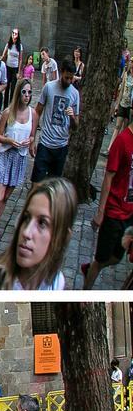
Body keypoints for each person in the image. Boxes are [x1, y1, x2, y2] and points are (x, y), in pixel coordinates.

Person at [0, 178, 76, 290]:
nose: (27, 232)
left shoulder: (55, 283)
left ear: (61, 238)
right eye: (26, 218)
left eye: (42, 223)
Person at [83, 108, 133, 288]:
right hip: (113, 211)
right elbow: (108, 177)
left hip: (129, 213)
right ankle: (83, 294)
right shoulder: (122, 141)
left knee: (117, 257)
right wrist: (100, 212)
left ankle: (91, 268)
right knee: (101, 258)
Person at [0, 78, 35, 248]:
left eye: (29, 92)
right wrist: (10, 141)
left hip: (19, 158)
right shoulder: (8, 112)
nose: (26, 96)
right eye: (24, 92)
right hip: (6, 155)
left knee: (5, 198)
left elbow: (33, 135)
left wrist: (29, 141)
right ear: (18, 92)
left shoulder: (33, 114)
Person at [30, 59, 80, 183]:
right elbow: (37, 112)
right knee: (37, 183)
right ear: (61, 72)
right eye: (66, 77)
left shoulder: (75, 94)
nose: (69, 81)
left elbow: (76, 126)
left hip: (61, 146)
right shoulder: (49, 87)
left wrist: (72, 117)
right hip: (45, 143)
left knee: (53, 185)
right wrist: (32, 138)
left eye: (71, 78)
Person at [109, 60, 133, 154]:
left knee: (124, 128)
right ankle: (110, 148)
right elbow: (122, 89)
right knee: (117, 126)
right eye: (131, 62)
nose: (131, 64)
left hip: (130, 106)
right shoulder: (126, 75)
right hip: (123, 103)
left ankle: (119, 150)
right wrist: (117, 105)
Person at [1, 29, 23, 109]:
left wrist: (19, 72)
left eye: (16, 33)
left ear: (18, 35)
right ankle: (5, 107)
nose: (14, 35)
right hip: (8, 67)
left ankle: (11, 106)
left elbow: (20, 59)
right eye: (13, 33)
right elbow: (4, 55)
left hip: (15, 68)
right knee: (6, 87)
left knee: (13, 88)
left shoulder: (19, 46)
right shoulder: (8, 44)